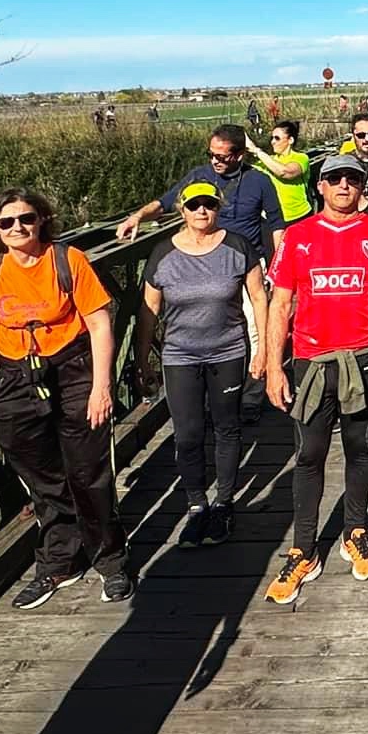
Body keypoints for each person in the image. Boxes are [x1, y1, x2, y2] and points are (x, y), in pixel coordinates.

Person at [0, 188, 130, 608]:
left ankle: (110, 560)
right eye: (7, 222)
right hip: (16, 377)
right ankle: (61, 560)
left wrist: (102, 387)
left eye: (27, 218)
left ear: (41, 220)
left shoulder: (68, 261)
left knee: (88, 470)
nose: (18, 227)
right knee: (37, 471)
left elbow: (99, 324)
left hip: (72, 370)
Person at [262, 151, 368, 603]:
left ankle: (356, 531)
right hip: (312, 362)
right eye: (335, 179)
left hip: (365, 358)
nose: (344, 185)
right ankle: (303, 550)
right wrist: (273, 366)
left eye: (352, 178)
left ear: (362, 186)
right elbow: (280, 304)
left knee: (359, 447)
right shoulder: (298, 236)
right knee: (309, 454)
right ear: (321, 187)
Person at [142, 182, 266, 548]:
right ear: (181, 210)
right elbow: (148, 311)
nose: (201, 211)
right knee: (188, 434)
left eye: (209, 204)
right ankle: (196, 505)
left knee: (227, 427)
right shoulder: (163, 253)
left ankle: (224, 503)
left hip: (228, 351)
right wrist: (142, 359)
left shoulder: (237, 247)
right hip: (179, 355)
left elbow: (259, 298)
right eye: (194, 204)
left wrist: (264, 350)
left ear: (219, 208)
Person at [116, 125, 284, 261]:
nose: (214, 161)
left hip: (247, 261)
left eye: (221, 157)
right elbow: (164, 204)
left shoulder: (260, 180)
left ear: (239, 155)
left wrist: (277, 268)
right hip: (207, 260)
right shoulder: (198, 176)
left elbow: (277, 226)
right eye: (210, 155)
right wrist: (137, 217)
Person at [249, 118, 313, 224]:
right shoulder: (269, 160)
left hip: (298, 216)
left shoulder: (301, 158)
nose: (272, 142)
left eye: (277, 138)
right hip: (275, 219)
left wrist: (256, 150)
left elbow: (285, 172)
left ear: (290, 140)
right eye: (272, 138)